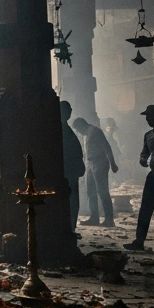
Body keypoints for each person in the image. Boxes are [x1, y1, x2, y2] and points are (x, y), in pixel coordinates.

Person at [125, 104, 154, 250]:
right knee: (145, 209)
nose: (147, 119)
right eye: (147, 117)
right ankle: (139, 241)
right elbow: (144, 152)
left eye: (150, 116)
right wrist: (142, 159)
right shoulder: (148, 136)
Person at [73, 117, 119, 227]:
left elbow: (106, 147)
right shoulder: (87, 133)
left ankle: (109, 219)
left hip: (100, 163)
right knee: (91, 191)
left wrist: (112, 163)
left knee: (103, 191)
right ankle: (94, 217)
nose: (78, 132)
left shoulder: (95, 131)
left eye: (78, 129)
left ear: (81, 126)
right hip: (90, 164)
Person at [60, 101, 86, 236]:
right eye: (66, 111)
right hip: (67, 171)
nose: (69, 113)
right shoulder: (60, 129)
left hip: (71, 171)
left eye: (69, 110)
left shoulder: (65, 127)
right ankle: (69, 229)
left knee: (73, 201)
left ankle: (71, 228)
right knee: (71, 201)